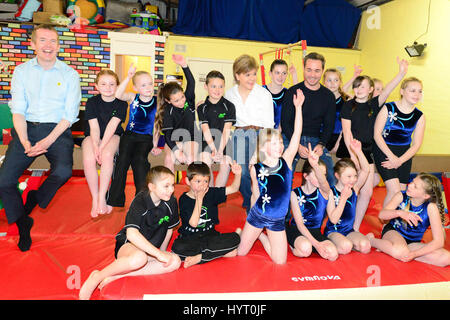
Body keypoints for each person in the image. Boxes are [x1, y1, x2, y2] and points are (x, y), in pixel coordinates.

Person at [0, 24, 81, 252]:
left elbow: (69, 115)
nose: (48, 45)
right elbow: (18, 109)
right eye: (43, 40)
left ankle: (36, 196)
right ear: (33, 44)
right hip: (27, 128)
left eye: (53, 41)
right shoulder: (22, 72)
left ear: (58, 45)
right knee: (3, 182)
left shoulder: (69, 74)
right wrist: (24, 141)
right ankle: (23, 223)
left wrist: (47, 142)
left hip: (57, 130)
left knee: (63, 171)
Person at [79, 166, 181, 300]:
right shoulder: (140, 201)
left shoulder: (171, 202)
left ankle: (118, 275)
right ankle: (97, 276)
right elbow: (132, 234)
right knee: (140, 258)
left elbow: (168, 229)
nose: (171, 190)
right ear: (152, 187)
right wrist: (158, 254)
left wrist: (161, 253)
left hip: (150, 250)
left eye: (172, 185)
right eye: (166, 186)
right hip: (129, 246)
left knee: (175, 261)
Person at [337, 57, 409, 232]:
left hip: (369, 151)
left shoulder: (375, 104)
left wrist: (401, 73)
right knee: (352, 188)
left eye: (363, 87)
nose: (359, 89)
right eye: (357, 86)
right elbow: (347, 132)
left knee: (367, 192)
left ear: (370, 90)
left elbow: (390, 88)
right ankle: (340, 218)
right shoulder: (348, 105)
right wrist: (353, 155)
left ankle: (354, 226)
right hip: (353, 150)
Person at [237, 88, 304, 264]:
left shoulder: (286, 161)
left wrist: (298, 108)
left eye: (280, 142)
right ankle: (251, 234)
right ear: (264, 146)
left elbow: (297, 135)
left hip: (277, 220)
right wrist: (251, 218)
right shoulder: (256, 168)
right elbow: (255, 194)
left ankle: (262, 237)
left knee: (280, 261)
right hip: (258, 214)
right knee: (241, 253)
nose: (280, 146)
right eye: (274, 143)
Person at [106, 64, 161, 208]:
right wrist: (128, 77)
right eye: (143, 85)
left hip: (145, 138)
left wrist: (155, 144)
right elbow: (117, 94)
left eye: (150, 84)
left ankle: (142, 200)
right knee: (122, 160)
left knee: (140, 161)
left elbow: (156, 125)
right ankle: (115, 199)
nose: (148, 87)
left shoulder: (157, 102)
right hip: (129, 135)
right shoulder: (133, 97)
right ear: (136, 88)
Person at [224, 54, 274, 212]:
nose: (252, 78)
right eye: (247, 75)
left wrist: (267, 145)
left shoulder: (264, 94)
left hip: (260, 135)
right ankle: (249, 200)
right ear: (237, 75)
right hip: (239, 135)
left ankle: (262, 201)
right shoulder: (229, 95)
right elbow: (224, 120)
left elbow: (269, 124)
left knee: (261, 172)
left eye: (254, 74)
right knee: (243, 173)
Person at [367, 173, 450, 267]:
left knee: (446, 258)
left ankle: (396, 249)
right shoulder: (401, 196)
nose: (409, 185)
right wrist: (400, 213)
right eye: (412, 182)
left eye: (415, 186)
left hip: (413, 242)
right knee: (400, 251)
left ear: (426, 196)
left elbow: (438, 241)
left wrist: (415, 254)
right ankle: (372, 240)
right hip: (394, 232)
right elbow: (382, 215)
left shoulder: (431, 207)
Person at [171, 161, 242, 268]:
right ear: (188, 181)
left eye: (206, 181)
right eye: (198, 181)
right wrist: (199, 199)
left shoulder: (211, 193)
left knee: (234, 239)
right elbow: (194, 223)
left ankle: (200, 257)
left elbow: (233, 188)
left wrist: (238, 174)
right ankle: (218, 253)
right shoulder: (183, 199)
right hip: (190, 238)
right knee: (177, 248)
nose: (202, 185)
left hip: (210, 236)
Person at [280, 52, 336, 186]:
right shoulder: (292, 92)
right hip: (291, 138)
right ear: (303, 69)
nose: (312, 74)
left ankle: (329, 207)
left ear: (322, 71)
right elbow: (285, 122)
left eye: (317, 71)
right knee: (284, 176)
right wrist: (297, 145)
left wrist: (321, 144)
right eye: (309, 70)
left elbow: (329, 125)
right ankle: (283, 207)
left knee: (331, 177)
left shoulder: (328, 96)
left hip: (316, 141)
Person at [373, 77, 425, 207]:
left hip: (404, 155)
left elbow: (416, 144)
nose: (417, 94)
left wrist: (399, 160)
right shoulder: (388, 108)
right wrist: (392, 157)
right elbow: (377, 135)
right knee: (394, 191)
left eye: (420, 91)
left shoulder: (419, 116)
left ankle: (393, 224)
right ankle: (385, 225)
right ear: (402, 91)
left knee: (401, 193)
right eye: (412, 90)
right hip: (384, 150)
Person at [82, 69, 128, 217]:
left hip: (113, 135)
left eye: (112, 84)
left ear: (117, 86)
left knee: (107, 155)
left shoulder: (121, 104)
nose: (108, 87)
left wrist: (101, 148)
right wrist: (96, 145)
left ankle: (103, 196)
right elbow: (94, 127)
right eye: (103, 84)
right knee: (89, 159)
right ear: (97, 86)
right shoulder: (91, 102)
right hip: (93, 136)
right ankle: (95, 198)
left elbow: (112, 126)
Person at [286, 144, 338, 261]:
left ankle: (307, 245)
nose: (321, 178)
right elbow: (299, 224)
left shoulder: (325, 192)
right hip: (298, 230)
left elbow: (324, 184)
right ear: (306, 176)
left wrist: (315, 165)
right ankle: (291, 244)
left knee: (333, 254)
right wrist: (317, 245)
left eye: (324, 174)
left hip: (315, 231)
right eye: (317, 173)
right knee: (306, 249)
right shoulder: (295, 193)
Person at [324, 139, 371, 255]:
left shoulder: (354, 188)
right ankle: (336, 243)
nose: (353, 179)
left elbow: (366, 170)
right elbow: (333, 219)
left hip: (349, 230)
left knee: (365, 246)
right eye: (349, 176)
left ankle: (353, 242)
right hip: (333, 231)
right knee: (346, 247)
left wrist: (359, 152)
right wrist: (343, 198)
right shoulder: (331, 192)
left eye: (355, 176)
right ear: (337, 176)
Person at [155, 54, 198, 173]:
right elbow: (168, 135)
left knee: (192, 159)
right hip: (174, 140)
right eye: (176, 100)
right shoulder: (168, 111)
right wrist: (176, 151)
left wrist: (184, 65)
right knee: (169, 158)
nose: (181, 102)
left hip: (191, 138)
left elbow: (192, 82)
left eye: (182, 97)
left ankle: (195, 189)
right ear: (168, 101)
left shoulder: (188, 100)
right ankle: (169, 189)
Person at [197, 70, 236, 187]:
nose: (217, 90)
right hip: (207, 141)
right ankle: (210, 192)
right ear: (206, 86)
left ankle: (217, 194)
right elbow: (205, 130)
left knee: (225, 163)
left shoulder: (229, 106)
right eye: (213, 86)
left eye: (221, 86)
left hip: (224, 141)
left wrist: (219, 150)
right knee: (205, 161)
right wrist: (213, 149)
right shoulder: (202, 107)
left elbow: (226, 130)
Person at [262, 59, 298, 130]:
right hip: (263, 133)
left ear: (287, 75)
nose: (280, 76)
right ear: (270, 74)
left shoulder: (288, 93)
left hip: (282, 134)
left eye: (284, 73)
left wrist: (294, 76)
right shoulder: (261, 91)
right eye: (277, 73)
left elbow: (298, 99)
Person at [322, 68, 350, 154]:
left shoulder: (346, 100)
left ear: (340, 82)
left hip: (340, 137)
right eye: (329, 80)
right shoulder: (319, 98)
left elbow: (346, 127)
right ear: (324, 82)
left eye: (336, 80)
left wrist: (338, 144)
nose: (332, 83)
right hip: (321, 137)